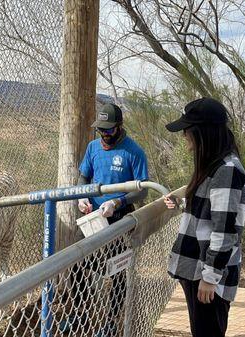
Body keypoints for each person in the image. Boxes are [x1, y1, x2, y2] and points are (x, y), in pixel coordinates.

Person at [60, 103, 149, 337]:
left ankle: (111, 320)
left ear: (120, 127)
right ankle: (79, 312)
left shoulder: (134, 152)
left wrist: (117, 202)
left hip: (119, 218)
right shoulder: (92, 148)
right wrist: (83, 198)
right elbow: (83, 177)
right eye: (101, 130)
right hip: (92, 216)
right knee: (77, 260)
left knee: (118, 269)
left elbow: (142, 191)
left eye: (109, 130)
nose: (105, 135)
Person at [163, 97, 245, 337]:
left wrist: (210, 277)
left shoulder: (227, 170)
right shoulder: (215, 166)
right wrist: (183, 204)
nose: (184, 136)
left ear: (204, 133)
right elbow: (211, 215)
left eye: (188, 131)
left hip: (206, 273)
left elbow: (225, 230)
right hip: (198, 269)